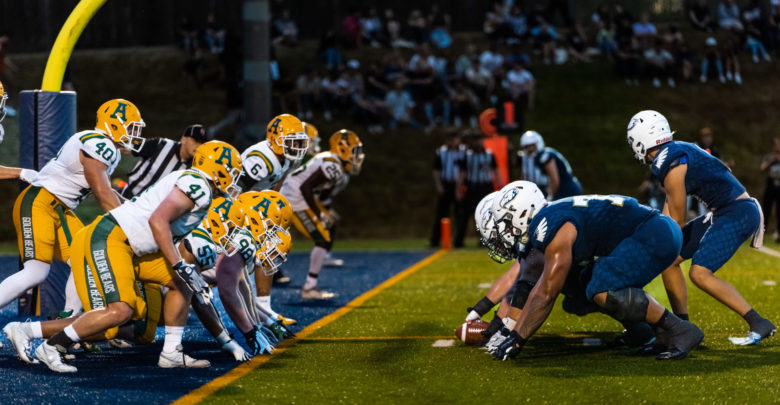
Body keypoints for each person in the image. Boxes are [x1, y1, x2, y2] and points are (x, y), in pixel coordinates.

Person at [7, 141, 242, 373]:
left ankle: (172, 352)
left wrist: (224, 338)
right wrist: (178, 263)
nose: (234, 178)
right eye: (231, 171)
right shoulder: (197, 186)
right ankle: (51, 346)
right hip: (110, 239)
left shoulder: (192, 182)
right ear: (217, 167)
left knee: (181, 283)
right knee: (119, 312)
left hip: (129, 245)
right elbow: (158, 220)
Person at [489, 181, 704, 361]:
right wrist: (515, 331)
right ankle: (648, 332)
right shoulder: (552, 214)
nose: (506, 231)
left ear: (523, 212)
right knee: (579, 291)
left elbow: (546, 291)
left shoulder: (545, 223)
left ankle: (680, 329)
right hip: (652, 231)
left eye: (507, 223)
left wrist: (518, 338)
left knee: (601, 287)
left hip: (656, 232)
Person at [627, 110, 775, 345]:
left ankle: (758, 322)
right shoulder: (673, 152)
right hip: (725, 210)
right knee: (670, 259)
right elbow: (669, 208)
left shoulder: (668, 160)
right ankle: (682, 327)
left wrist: (651, 242)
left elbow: (676, 221)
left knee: (699, 273)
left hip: (736, 211)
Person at [0, 99, 145, 315]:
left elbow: (107, 190)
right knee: (36, 272)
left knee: (86, 259)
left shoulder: (100, 144)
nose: (134, 135)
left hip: (59, 208)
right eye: (131, 128)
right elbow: (102, 193)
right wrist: (127, 225)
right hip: (40, 202)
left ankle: (68, 322)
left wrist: (132, 209)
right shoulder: (100, 145)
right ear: (114, 125)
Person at [280, 130, 364, 299]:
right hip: (295, 198)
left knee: (327, 229)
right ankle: (309, 288)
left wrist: (325, 210)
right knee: (322, 237)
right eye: (354, 151)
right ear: (343, 148)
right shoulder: (332, 164)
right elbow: (306, 188)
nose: (357, 156)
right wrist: (319, 214)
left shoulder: (334, 163)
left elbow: (319, 192)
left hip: (297, 196)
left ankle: (312, 279)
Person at [239, 114, 308, 317]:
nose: (297, 147)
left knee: (270, 249)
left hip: (256, 206)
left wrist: (272, 210)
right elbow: (234, 191)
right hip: (238, 207)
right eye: (291, 142)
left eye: (298, 142)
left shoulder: (288, 157)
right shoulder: (261, 159)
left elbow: (278, 181)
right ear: (275, 140)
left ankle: (263, 307)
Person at [121, 124, 211, 199]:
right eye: (196, 141)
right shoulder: (161, 145)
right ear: (183, 139)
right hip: (130, 197)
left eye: (202, 143)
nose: (199, 146)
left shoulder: (195, 168)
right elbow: (126, 149)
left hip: (152, 211)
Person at [454, 132, 499, 248]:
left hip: (486, 188)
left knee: (488, 215)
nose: (477, 142)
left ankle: (487, 240)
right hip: (473, 188)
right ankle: (459, 241)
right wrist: (458, 189)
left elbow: (496, 172)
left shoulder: (489, 155)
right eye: (475, 140)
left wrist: (501, 188)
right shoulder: (468, 156)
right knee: (464, 214)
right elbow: (462, 173)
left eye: (479, 139)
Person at [519, 130, 581, 200]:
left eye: (532, 145)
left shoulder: (545, 156)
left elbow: (555, 179)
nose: (530, 149)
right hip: (563, 188)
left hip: (567, 190)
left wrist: (550, 196)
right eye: (527, 146)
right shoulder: (540, 155)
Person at [429, 131, 466, 247]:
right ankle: (435, 240)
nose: (453, 141)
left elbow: (463, 170)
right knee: (441, 213)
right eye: (451, 139)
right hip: (446, 184)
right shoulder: (441, 152)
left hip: (458, 185)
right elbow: (436, 169)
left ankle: (458, 241)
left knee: (460, 214)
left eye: (455, 139)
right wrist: (438, 185)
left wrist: (459, 187)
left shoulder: (464, 151)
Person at [760, 138, 780, 243]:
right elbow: (762, 167)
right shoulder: (768, 156)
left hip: (779, 186)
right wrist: (771, 160)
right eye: (775, 145)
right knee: (766, 209)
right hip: (770, 185)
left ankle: (778, 235)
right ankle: (762, 232)